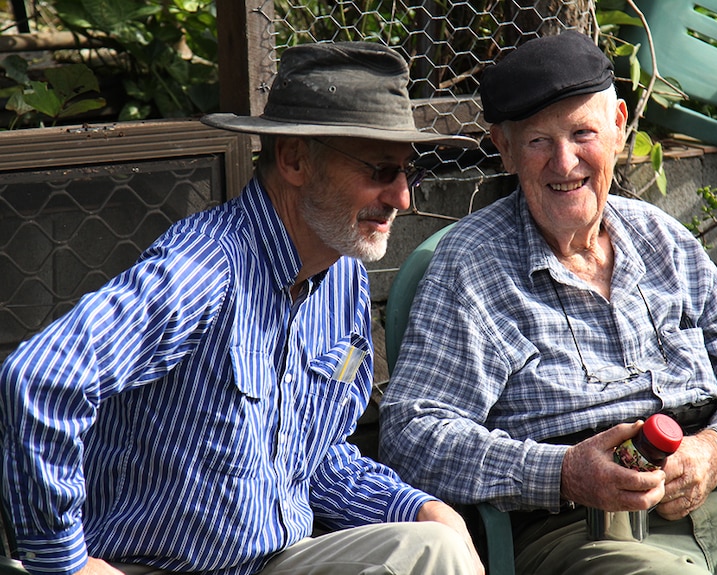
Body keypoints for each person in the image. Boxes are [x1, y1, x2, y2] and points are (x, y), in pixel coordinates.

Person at [378, 29, 717, 574]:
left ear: (618, 127)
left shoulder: (665, 241)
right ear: (504, 149)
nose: (564, 163)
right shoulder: (471, 268)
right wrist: (563, 472)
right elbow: (413, 433)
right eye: (538, 141)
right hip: (580, 531)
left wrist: (715, 452)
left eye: (582, 132)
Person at [0, 41, 484, 575]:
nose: (402, 199)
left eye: (406, 175)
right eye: (379, 171)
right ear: (295, 159)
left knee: (435, 545)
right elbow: (40, 378)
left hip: (275, 561)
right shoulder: (205, 268)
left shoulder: (342, 277)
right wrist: (65, 564)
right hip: (155, 564)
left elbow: (312, 459)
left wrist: (416, 507)